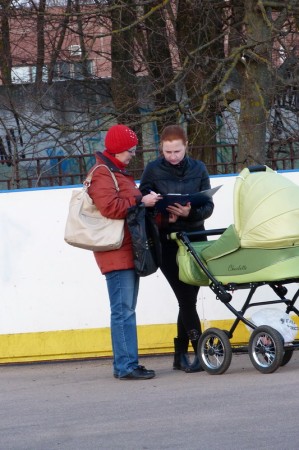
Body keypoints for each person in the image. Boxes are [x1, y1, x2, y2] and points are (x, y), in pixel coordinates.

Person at [88, 124, 161, 380]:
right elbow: (109, 207)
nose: (132, 154)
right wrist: (140, 200)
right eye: (130, 150)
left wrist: (145, 199)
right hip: (115, 252)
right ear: (118, 149)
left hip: (127, 249)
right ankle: (125, 366)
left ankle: (130, 363)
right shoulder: (102, 173)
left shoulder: (116, 172)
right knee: (123, 310)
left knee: (127, 309)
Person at [139, 125, 214, 373]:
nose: (173, 156)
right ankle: (200, 352)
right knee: (185, 297)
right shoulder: (152, 169)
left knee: (189, 297)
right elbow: (145, 206)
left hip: (195, 236)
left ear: (186, 146)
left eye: (177, 151)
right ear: (161, 147)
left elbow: (208, 206)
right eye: (168, 151)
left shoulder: (199, 168)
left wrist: (189, 211)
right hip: (167, 240)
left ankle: (180, 354)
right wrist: (163, 216)